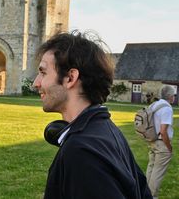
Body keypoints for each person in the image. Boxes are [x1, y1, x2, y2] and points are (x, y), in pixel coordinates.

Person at [32, 31, 151, 199]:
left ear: (70, 78)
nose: (36, 83)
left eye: (43, 73)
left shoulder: (81, 152)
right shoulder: (107, 130)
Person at [146, 85, 175, 198]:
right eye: (174, 95)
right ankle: (152, 196)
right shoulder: (167, 108)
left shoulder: (154, 105)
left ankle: (145, 192)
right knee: (158, 172)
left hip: (152, 140)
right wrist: (169, 147)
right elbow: (163, 132)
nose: (174, 97)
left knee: (151, 167)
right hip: (161, 142)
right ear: (170, 96)